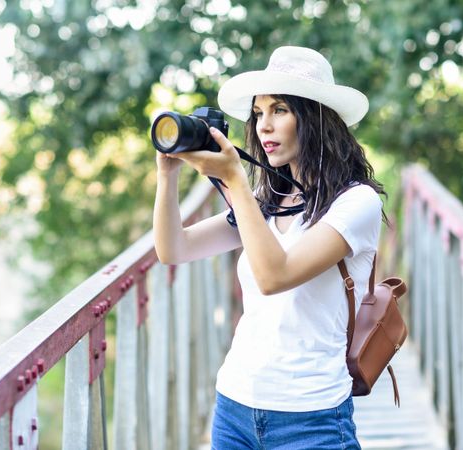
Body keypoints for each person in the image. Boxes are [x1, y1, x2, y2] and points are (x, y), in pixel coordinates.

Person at [153, 46, 386, 450]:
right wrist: (167, 174)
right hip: (234, 406)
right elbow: (174, 248)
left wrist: (234, 181)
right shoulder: (267, 199)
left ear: (314, 118)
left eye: (279, 110)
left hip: (311, 417)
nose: (264, 126)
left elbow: (274, 276)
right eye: (258, 113)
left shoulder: (357, 202)